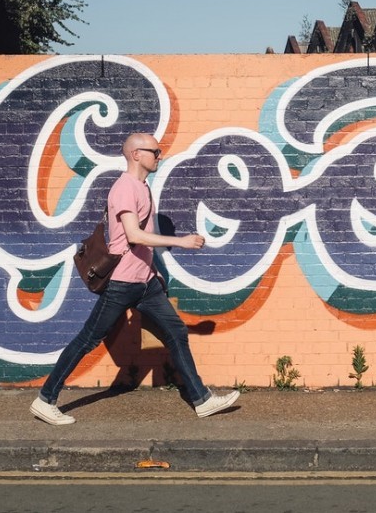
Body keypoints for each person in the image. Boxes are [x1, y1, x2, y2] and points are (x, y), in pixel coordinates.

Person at [30, 132, 240, 425]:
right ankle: (45, 399)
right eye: (155, 151)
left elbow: (139, 242)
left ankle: (201, 400)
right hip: (122, 283)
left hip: (145, 284)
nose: (160, 156)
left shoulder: (141, 187)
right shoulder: (125, 188)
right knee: (88, 339)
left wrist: (152, 272)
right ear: (136, 154)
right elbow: (133, 235)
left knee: (176, 332)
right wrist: (181, 242)